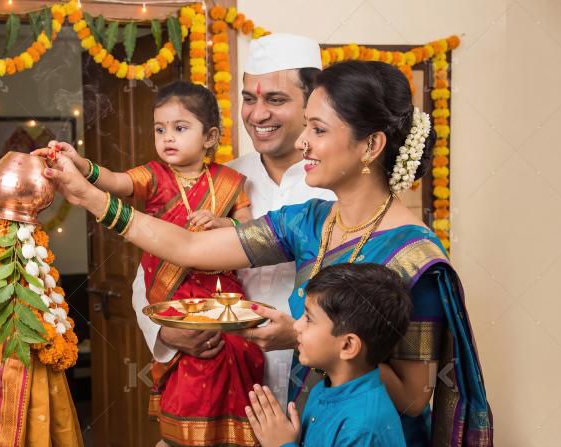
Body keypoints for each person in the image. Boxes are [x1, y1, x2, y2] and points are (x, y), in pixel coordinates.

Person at [40, 60, 493, 445]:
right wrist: (91, 196)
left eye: (317, 129)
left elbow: (415, 398)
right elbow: (191, 246)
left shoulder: (413, 257)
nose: (302, 142)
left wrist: (302, 336)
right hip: (303, 429)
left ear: (370, 145)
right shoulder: (312, 221)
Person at [37, 81, 263, 446]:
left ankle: (231, 434)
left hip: (223, 297)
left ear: (210, 137)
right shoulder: (154, 176)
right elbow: (113, 181)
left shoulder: (230, 182)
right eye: (160, 129)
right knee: (193, 366)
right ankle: (185, 437)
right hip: (173, 296)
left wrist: (224, 224)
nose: (167, 138)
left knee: (235, 353)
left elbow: (252, 232)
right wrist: (79, 164)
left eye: (180, 128)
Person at [132, 33, 335, 412]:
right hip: (221, 383)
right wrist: (168, 331)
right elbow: (151, 268)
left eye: (275, 100)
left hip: (315, 382)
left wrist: (298, 335)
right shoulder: (217, 179)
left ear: (312, 103)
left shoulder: (336, 189)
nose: (258, 115)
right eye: (249, 99)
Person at [244, 263, 411, 447]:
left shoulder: (363, 428)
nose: (296, 326)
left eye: (309, 319)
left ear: (347, 345)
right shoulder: (322, 391)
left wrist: (281, 445)